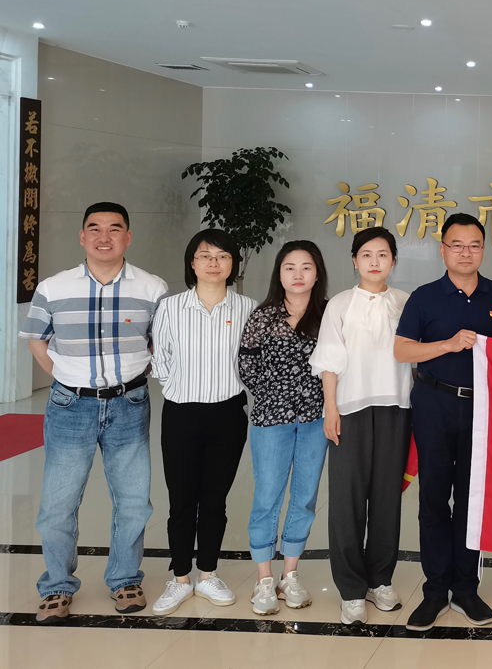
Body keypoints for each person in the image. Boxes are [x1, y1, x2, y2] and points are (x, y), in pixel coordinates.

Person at [20, 202, 168, 623]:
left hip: (129, 404)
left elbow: (161, 340)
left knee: (134, 501)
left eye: (115, 229)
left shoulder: (152, 288)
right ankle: (57, 585)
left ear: (128, 237)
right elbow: (35, 338)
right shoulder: (53, 287)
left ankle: (125, 579)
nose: (105, 237)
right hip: (71, 406)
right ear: (82, 236)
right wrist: (64, 377)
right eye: (95, 229)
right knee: (58, 504)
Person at [395, 213, 492, 630]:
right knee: (433, 499)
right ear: (443, 249)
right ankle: (434, 591)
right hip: (434, 404)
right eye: (457, 245)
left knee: (471, 501)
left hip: (483, 411)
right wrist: (446, 344)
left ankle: (466, 589)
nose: (466, 252)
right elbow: (402, 350)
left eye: (474, 245)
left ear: (483, 249)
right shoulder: (424, 297)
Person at [149, 229, 257, 615]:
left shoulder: (248, 308)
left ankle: (208, 574)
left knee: (214, 500)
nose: (214, 262)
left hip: (228, 414)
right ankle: (180, 579)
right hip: (181, 413)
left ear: (233, 264)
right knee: (181, 501)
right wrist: (179, 387)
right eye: (205, 255)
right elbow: (160, 358)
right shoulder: (170, 307)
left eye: (222, 256)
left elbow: (254, 360)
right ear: (192, 263)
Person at [310, 226, 413, 626]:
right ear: (354, 260)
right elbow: (328, 360)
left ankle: (380, 580)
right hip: (350, 409)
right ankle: (351, 589)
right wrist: (330, 409)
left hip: (395, 408)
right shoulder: (339, 304)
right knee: (347, 501)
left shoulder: (405, 302)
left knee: (387, 499)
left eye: (383, 254)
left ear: (393, 261)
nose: (374, 261)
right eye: (366, 254)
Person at [239, 240, 330, 616]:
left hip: (315, 420)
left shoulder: (328, 314)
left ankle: (289, 574)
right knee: (267, 497)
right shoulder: (264, 316)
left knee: (305, 497)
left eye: (306, 267)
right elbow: (246, 364)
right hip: (270, 421)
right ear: (279, 273)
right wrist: (271, 396)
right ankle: (264, 579)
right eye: (290, 267)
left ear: (317, 273)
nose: (298, 274)